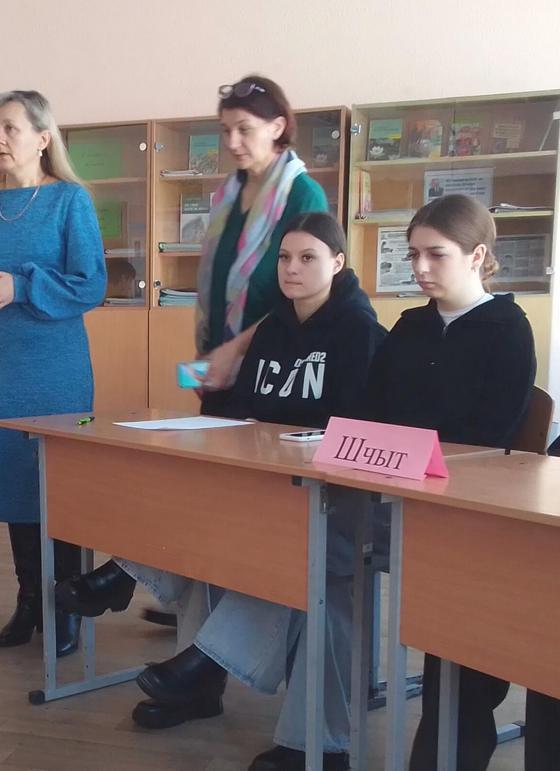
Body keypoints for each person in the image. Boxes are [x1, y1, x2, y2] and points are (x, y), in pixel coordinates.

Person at [67, 215, 386, 770]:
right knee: (199, 518)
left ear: (338, 263)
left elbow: (355, 428)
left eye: (307, 258)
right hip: (264, 485)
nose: (291, 269)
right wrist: (209, 407)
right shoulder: (272, 327)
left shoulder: (361, 333)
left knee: (254, 546)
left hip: (324, 496)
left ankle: (162, 617)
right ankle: (190, 670)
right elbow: (242, 408)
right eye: (284, 258)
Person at [55, 74, 331, 647]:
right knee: (201, 479)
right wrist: (211, 354)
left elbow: (299, 291)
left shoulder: (302, 194)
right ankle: (185, 594)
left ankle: (148, 585)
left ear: (279, 127)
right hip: (221, 356)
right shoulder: (230, 191)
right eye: (225, 129)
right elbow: (216, 280)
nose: (231, 142)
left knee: (234, 492)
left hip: (270, 358)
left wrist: (235, 349)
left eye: (244, 129)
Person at [362, 195, 536, 771]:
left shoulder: (507, 329)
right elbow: (371, 411)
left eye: (435, 254)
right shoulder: (410, 326)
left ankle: (447, 750)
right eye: (413, 254)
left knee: (462, 624)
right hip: (399, 494)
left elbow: (488, 436)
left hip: (468, 510)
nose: (419, 268)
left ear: (477, 255)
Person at [0, 90, 105, 656]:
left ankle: (67, 603)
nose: (0, 139)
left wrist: (21, 286)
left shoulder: (69, 201)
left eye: (11, 127)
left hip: (57, 367)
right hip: (1, 365)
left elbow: (91, 284)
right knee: (14, 478)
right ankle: (29, 598)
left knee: (59, 481)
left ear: (42, 137)